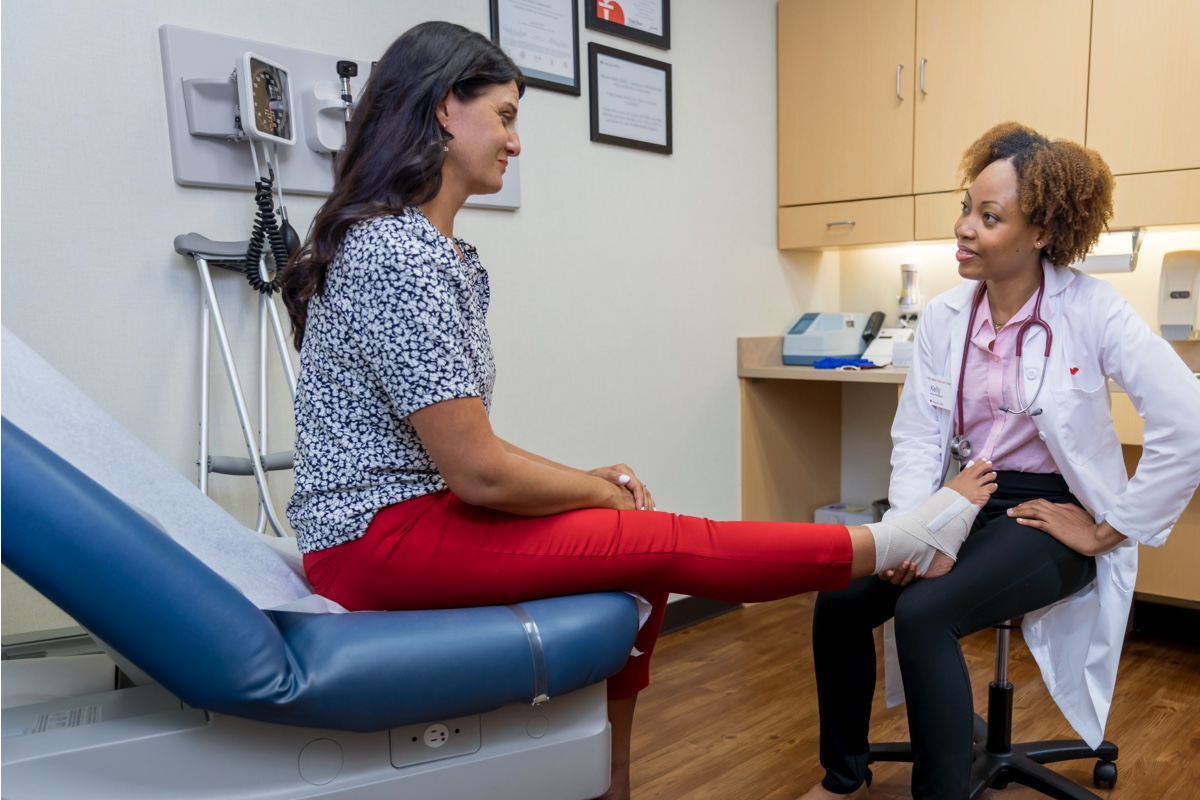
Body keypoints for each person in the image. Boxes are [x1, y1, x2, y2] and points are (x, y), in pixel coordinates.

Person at [278, 21, 997, 800]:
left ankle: (608, 779)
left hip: (415, 515)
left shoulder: (440, 252)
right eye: (507, 114)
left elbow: (462, 451)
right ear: (447, 109)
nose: (516, 142)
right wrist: (594, 492)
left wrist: (585, 482)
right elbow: (477, 470)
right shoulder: (398, 251)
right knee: (655, 537)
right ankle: (894, 535)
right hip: (373, 541)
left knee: (637, 554)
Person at [801, 122, 1200, 800]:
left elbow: (1188, 420)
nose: (964, 228)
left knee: (925, 612)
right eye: (965, 208)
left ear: (1041, 232)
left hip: (1049, 512)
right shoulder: (946, 316)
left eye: (988, 217)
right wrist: (908, 528)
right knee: (840, 596)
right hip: (959, 494)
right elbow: (921, 435)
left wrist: (1109, 529)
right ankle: (842, 777)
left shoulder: (1094, 310)